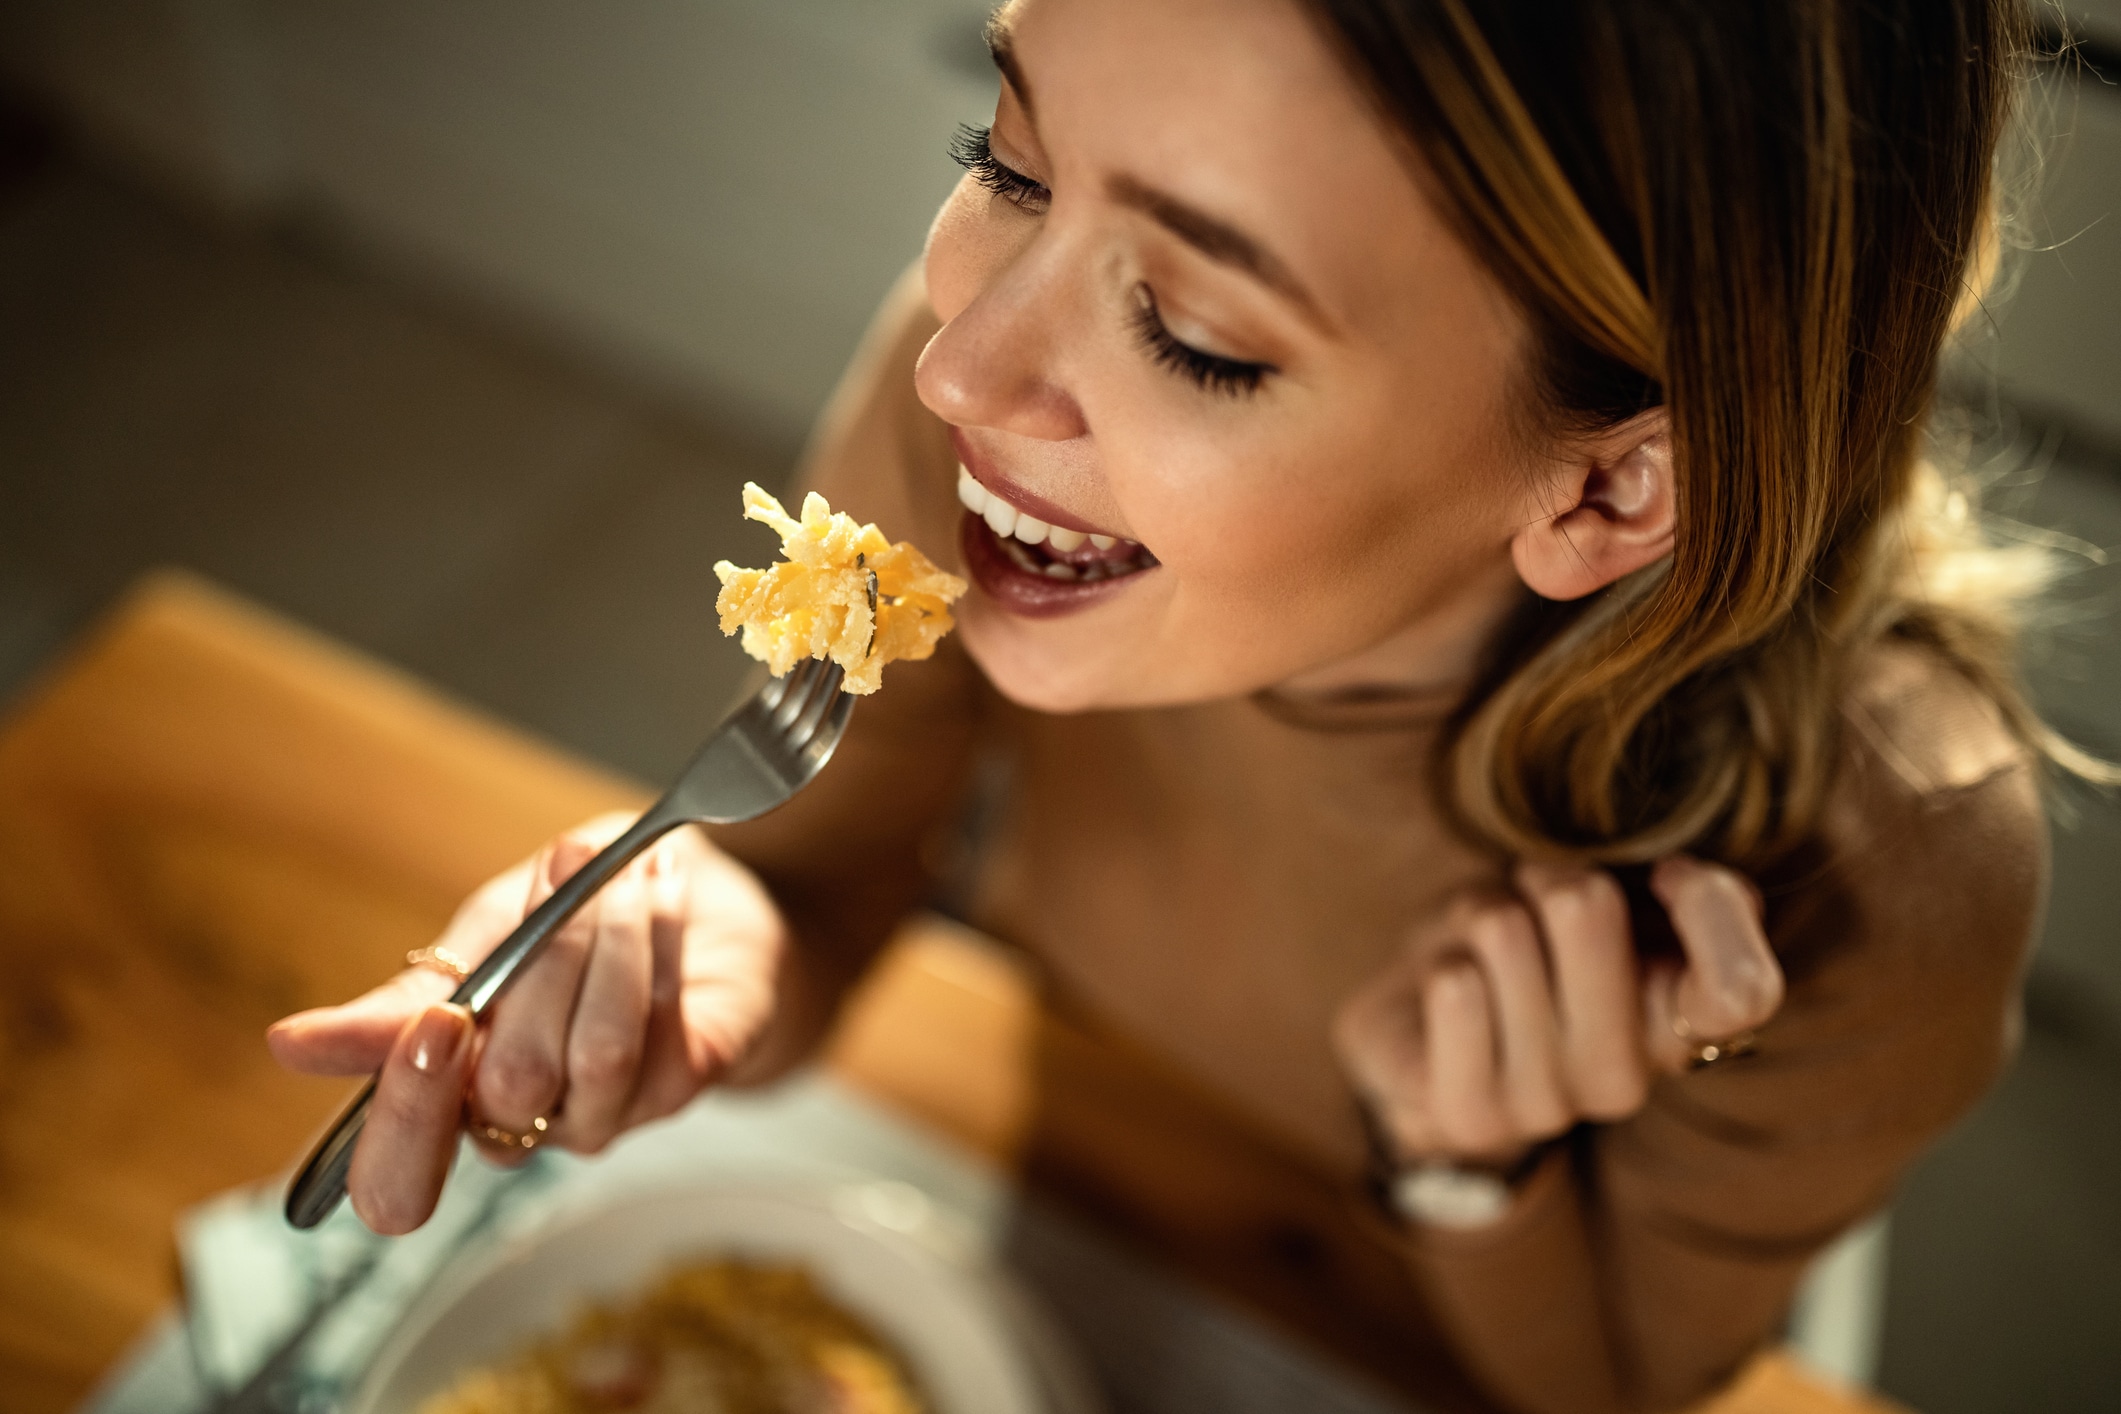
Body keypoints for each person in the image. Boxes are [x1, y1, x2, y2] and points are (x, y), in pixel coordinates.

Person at [268, 1, 2104, 1409]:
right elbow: (816, 888)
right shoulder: (991, 421)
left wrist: (1476, 1168)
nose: (961, 364)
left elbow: (1599, 1382)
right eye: (1003, 162)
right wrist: (708, 930)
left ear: (1610, 490)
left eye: (1201, 334)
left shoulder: (1883, 854)